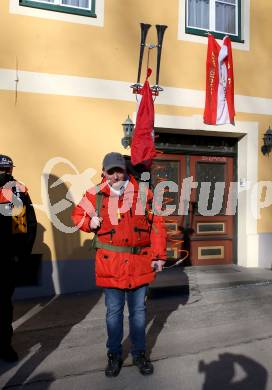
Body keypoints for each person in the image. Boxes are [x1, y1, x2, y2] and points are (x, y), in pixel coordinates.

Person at [72, 152, 167, 377]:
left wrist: (159, 255)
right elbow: (76, 215)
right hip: (110, 264)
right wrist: (89, 222)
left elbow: (157, 225)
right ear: (103, 172)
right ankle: (114, 355)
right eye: (111, 171)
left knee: (139, 312)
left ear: (125, 170)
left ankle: (139, 354)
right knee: (113, 313)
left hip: (139, 263)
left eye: (119, 170)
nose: (116, 175)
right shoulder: (93, 194)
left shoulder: (144, 194)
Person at [0, 155, 37, 362]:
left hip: (6, 256)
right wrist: (22, 256)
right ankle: (4, 347)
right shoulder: (18, 190)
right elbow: (27, 226)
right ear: (10, 170)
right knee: (4, 305)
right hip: (7, 257)